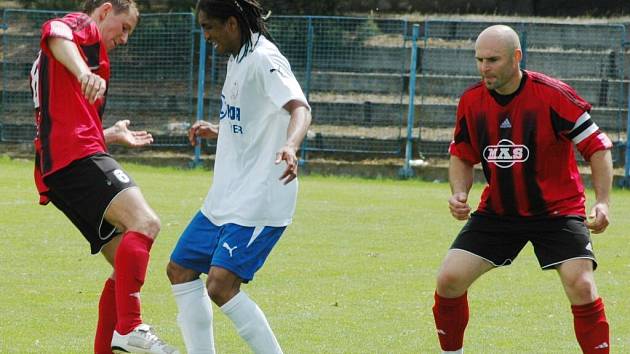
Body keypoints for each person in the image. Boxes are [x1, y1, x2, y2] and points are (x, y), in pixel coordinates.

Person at [432, 25, 613, 354]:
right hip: (499, 211)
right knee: (448, 280)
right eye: (479, 60)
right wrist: (459, 193)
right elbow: (461, 154)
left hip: (557, 211)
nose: (484, 67)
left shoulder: (553, 95)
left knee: (581, 285)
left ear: (517, 57)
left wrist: (602, 202)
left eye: (493, 60)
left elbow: (598, 148)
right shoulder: (472, 101)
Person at [29, 1, 179, 353]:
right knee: (146, 223)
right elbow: (55, 30)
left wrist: (110, 134)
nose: (124, 39)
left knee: (122, 264)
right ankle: (130, 328)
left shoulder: (91, 60)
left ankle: (110, 344)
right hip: (74, 157)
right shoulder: (83, 29)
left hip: (60, 166)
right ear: (105, 10)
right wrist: (84, 70)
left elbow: (67, 116)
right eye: (123, 27)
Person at [166, 0, 312, 353]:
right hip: (226, 196)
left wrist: (291, 146)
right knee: (180, 269)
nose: (206, 36)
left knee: (220, 285)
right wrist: (220, 130)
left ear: (231, 23)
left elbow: (300, 108)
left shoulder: (265, 59)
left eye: (208, 27)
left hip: (260, 198)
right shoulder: (238, 58)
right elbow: (253, 116)